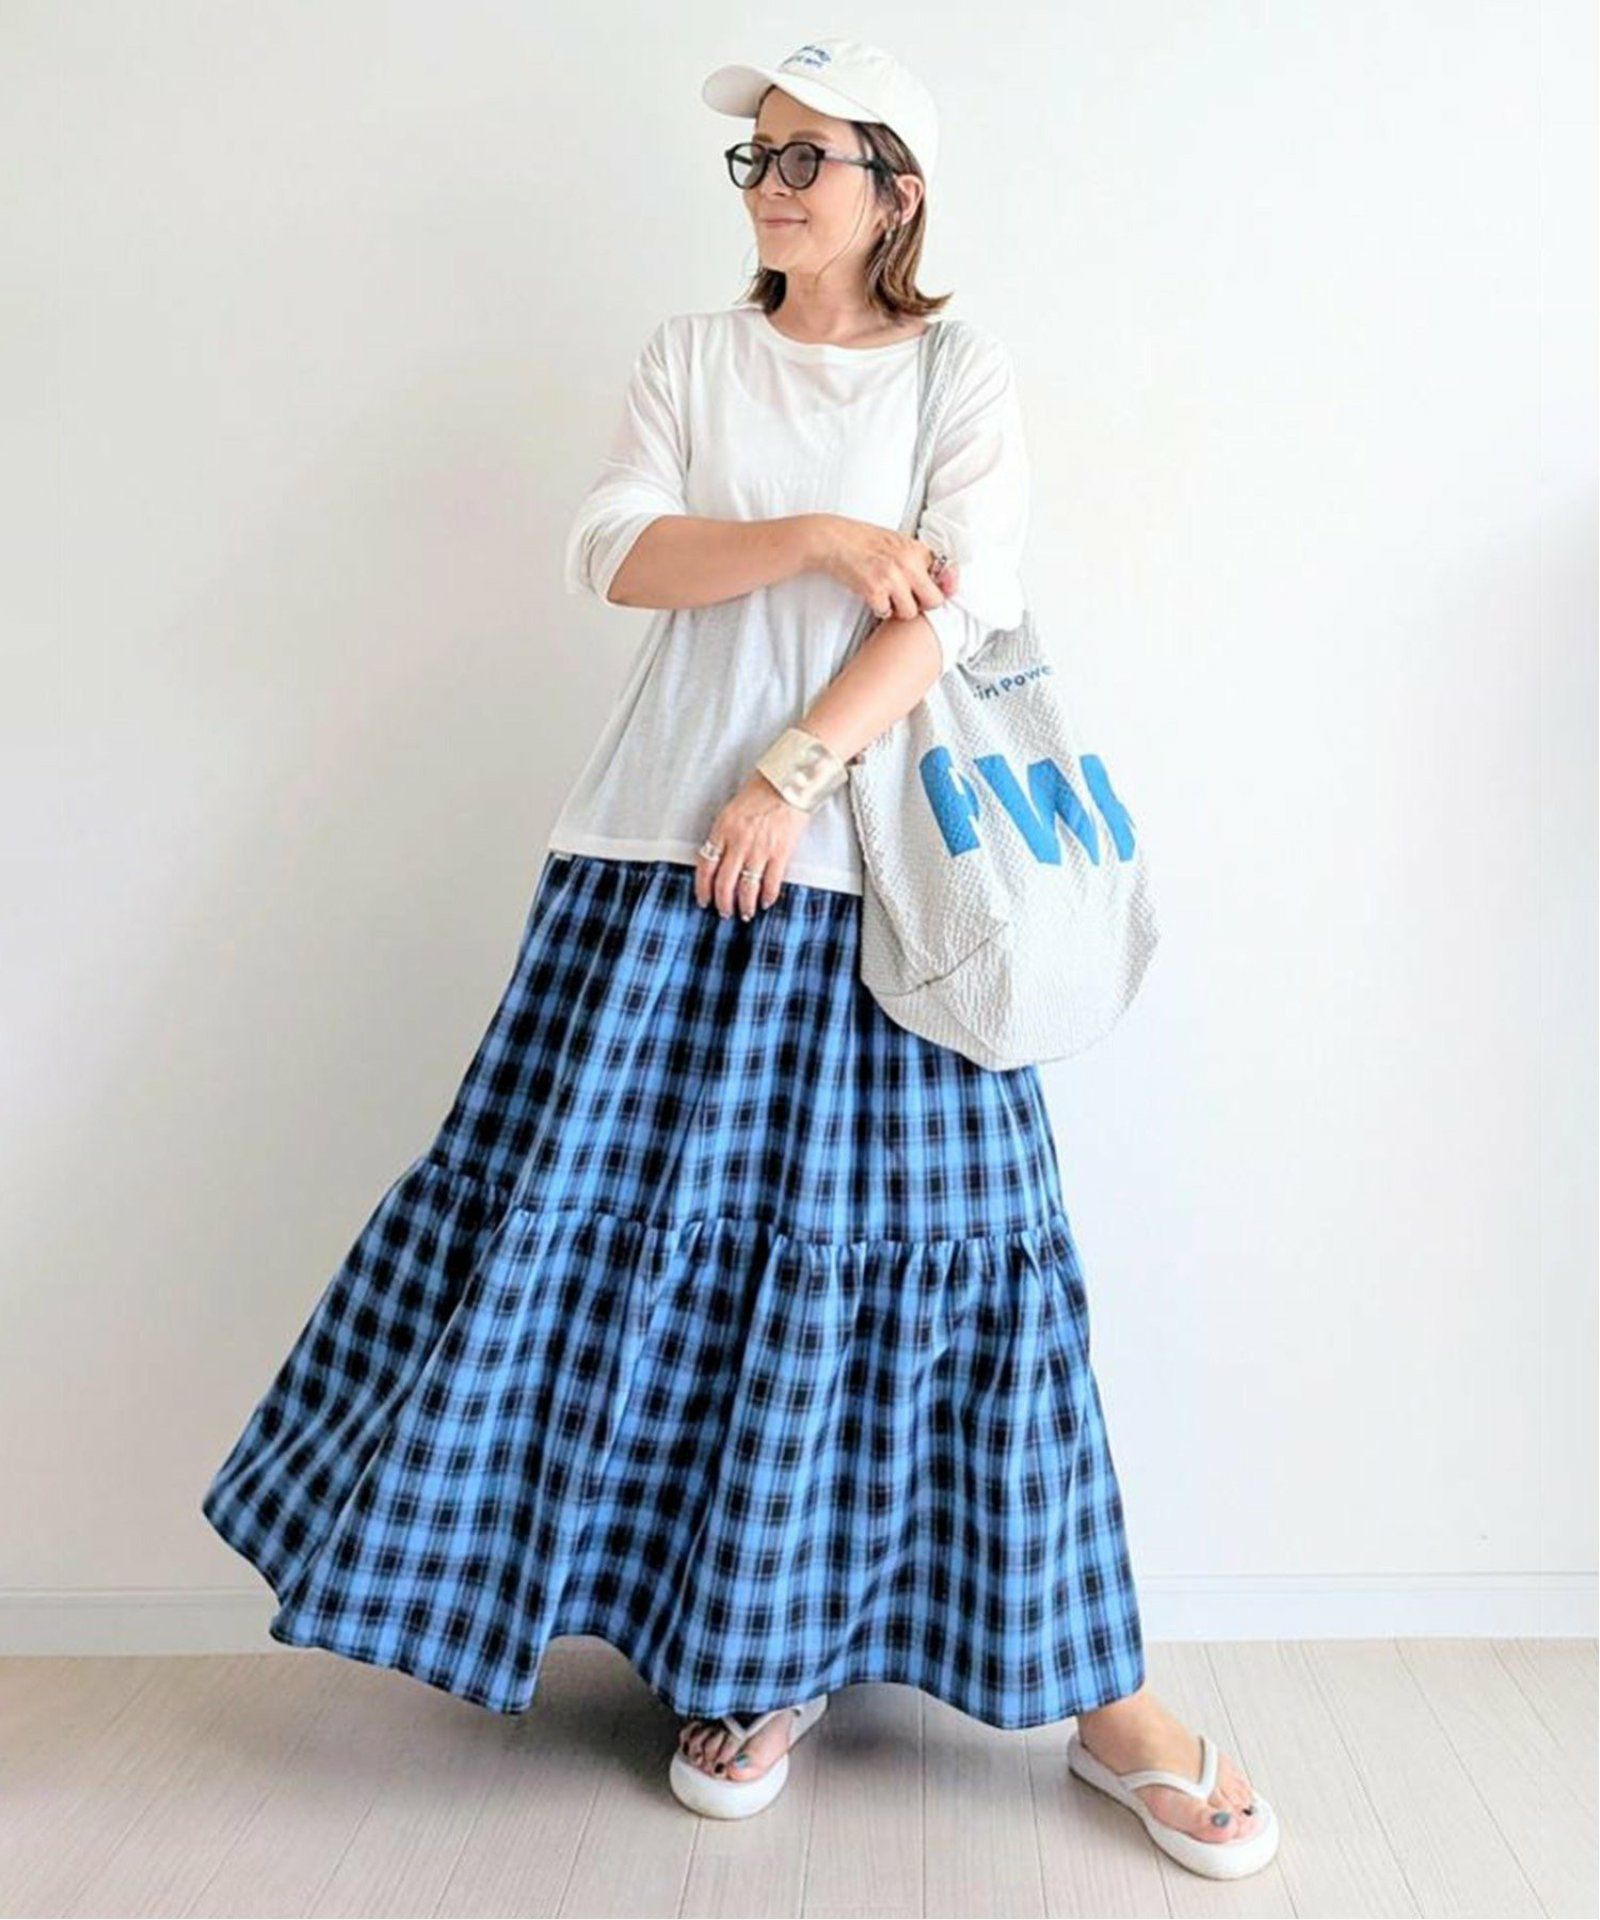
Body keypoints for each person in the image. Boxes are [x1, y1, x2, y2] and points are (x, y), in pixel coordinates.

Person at [200, 34, 1278, 1882]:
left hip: (884, 886)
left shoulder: (958, 370)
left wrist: (789, 776)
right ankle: (748, 1665)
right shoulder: (692, 358)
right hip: (656, 866)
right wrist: (817, 537)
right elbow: (618, 554)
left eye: (807, 158)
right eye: (755, 161)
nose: (771, 188)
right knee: (647, 1270)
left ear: (896, 187)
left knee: (965, 1277)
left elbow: (955, 613)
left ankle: (1102, 1702)